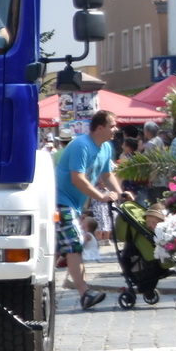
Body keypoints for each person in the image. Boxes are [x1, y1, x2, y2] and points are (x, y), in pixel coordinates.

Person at [56, 110, 122, 310]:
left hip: (74, 204)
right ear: (100, 127)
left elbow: (107, 174)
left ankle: (39, 284)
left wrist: (120, 193)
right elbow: (78, 179)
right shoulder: (81, 146)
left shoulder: (106, 147)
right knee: (74, 243)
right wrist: (101, 197)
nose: (115, 129)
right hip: (59, 200)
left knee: (63, 245)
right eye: (112, 125)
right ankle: (85, 293)